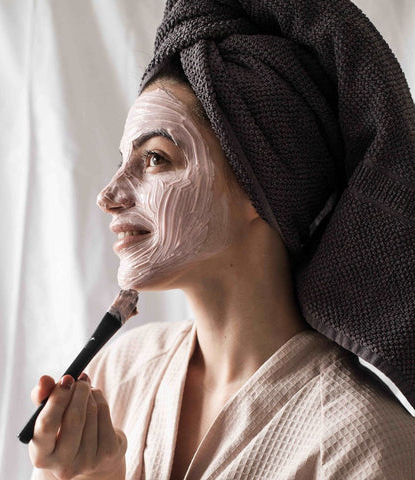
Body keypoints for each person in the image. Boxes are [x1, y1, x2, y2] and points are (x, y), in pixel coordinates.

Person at [27, 1, 415, 478]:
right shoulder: (117, 375)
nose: (109, 195)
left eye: (154, 159)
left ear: (259, 186)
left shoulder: (362, 447)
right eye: (124, 159)